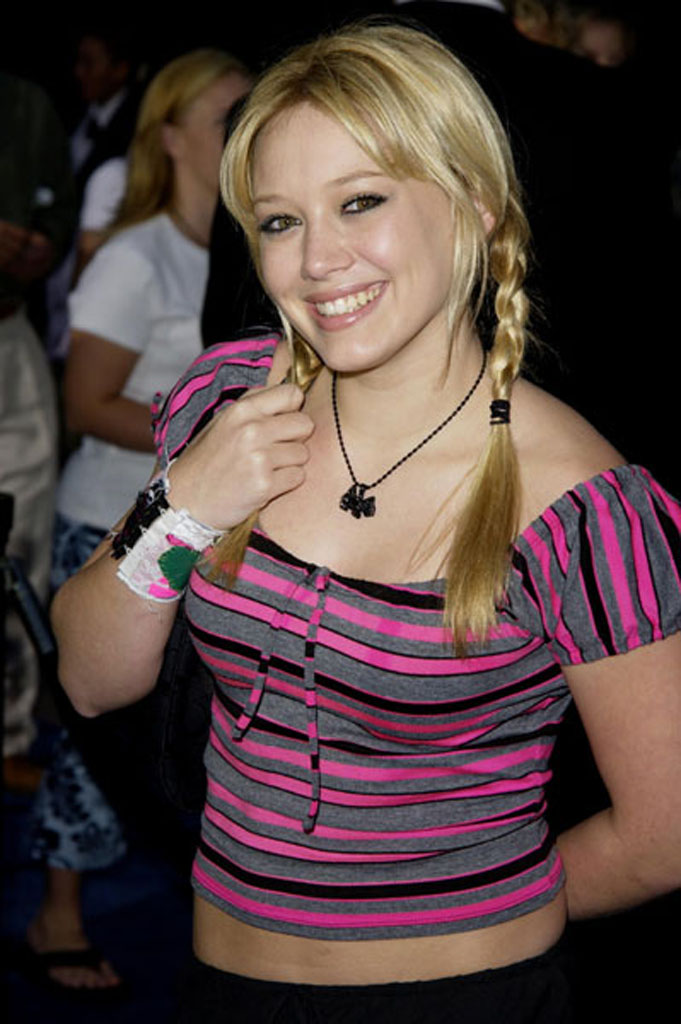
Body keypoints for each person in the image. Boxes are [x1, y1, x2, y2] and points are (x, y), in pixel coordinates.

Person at [52, 22, 681, 1021]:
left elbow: (661, 837)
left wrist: (475, 918)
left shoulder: (579, 506)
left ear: (473, 204)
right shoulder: (230, 400)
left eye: (360, 202)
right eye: (279, 221)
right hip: (223, 985)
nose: (316, 260)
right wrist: (184, 507)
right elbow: (91, 681)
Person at [26, 48, 251, 994]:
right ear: (170, 137)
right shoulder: (134, 253)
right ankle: (57, 913)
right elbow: (84, 402)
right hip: (108, 526)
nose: (245, 126)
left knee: (184, 735)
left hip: (207, 530)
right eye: (225, 115)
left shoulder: (252, 243)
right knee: (98, 741)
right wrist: (208, 435)